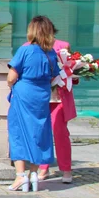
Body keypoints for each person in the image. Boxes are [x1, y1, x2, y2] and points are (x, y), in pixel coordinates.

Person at [5, 17, 60, 192]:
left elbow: (11, 76)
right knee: (39, 132)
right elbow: (54, 76)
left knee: (18, 132)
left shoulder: (25, 50)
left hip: (24, 93)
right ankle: (34, 173)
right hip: (42, 95)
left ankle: (21, 176)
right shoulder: (51, 53)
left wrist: (11, 85)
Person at [36, 38, 76, 184]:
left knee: (59, 131)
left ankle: (66, 168)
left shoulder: (63, 45)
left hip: (58, 96)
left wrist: (69, 74)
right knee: (40, 131)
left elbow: (71, 68)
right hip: (40, 95)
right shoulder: (29, 46)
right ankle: (43, 166)